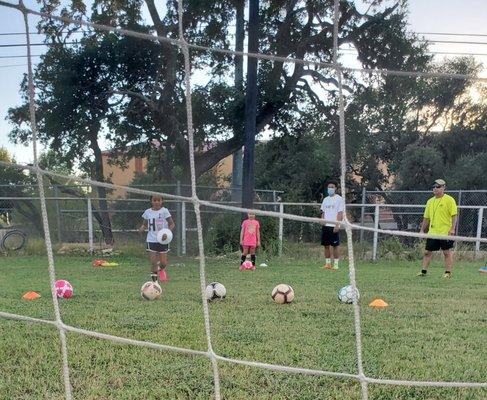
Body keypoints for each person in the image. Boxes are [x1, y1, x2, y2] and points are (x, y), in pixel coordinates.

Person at [418, 179, 458, 278]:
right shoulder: (430, 201)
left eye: (438, 187)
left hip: (445, 232)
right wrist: (422, 230)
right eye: (434, 187)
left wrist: (452, 228)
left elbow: (454, 215)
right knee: (427, 252)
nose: (435, 189)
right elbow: (426, 218)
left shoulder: (449, 200)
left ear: (443, 188)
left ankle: (447, 273)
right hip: (432, 232)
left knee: (446, 252)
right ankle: (423, 272)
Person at [139, 195, 175, 282]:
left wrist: (167, 233)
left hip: (163, 240)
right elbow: (144, 224)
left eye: (158, 200)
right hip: (151, 240)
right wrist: (142, 228)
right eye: (154, 200)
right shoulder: (148, 212)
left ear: (162, 201)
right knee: (153, 262)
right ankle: (155, 282)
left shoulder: (164, 211)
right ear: (151, 201)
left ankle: (161, 269)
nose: (156, 202)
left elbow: (172, 224)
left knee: (163, 263)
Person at [320, 180, 344, 270]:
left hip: (333, 226)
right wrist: (322, 220)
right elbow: (323, 211)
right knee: (326, 245)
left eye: (332, 187)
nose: (330, 189)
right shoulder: (325, 199)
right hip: (326, 226)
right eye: (329, 187)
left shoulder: (339, 199)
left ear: (336, 189)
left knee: (335, 246)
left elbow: (340, 213)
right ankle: (328, 264)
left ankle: (336, 264)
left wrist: (337, 225)